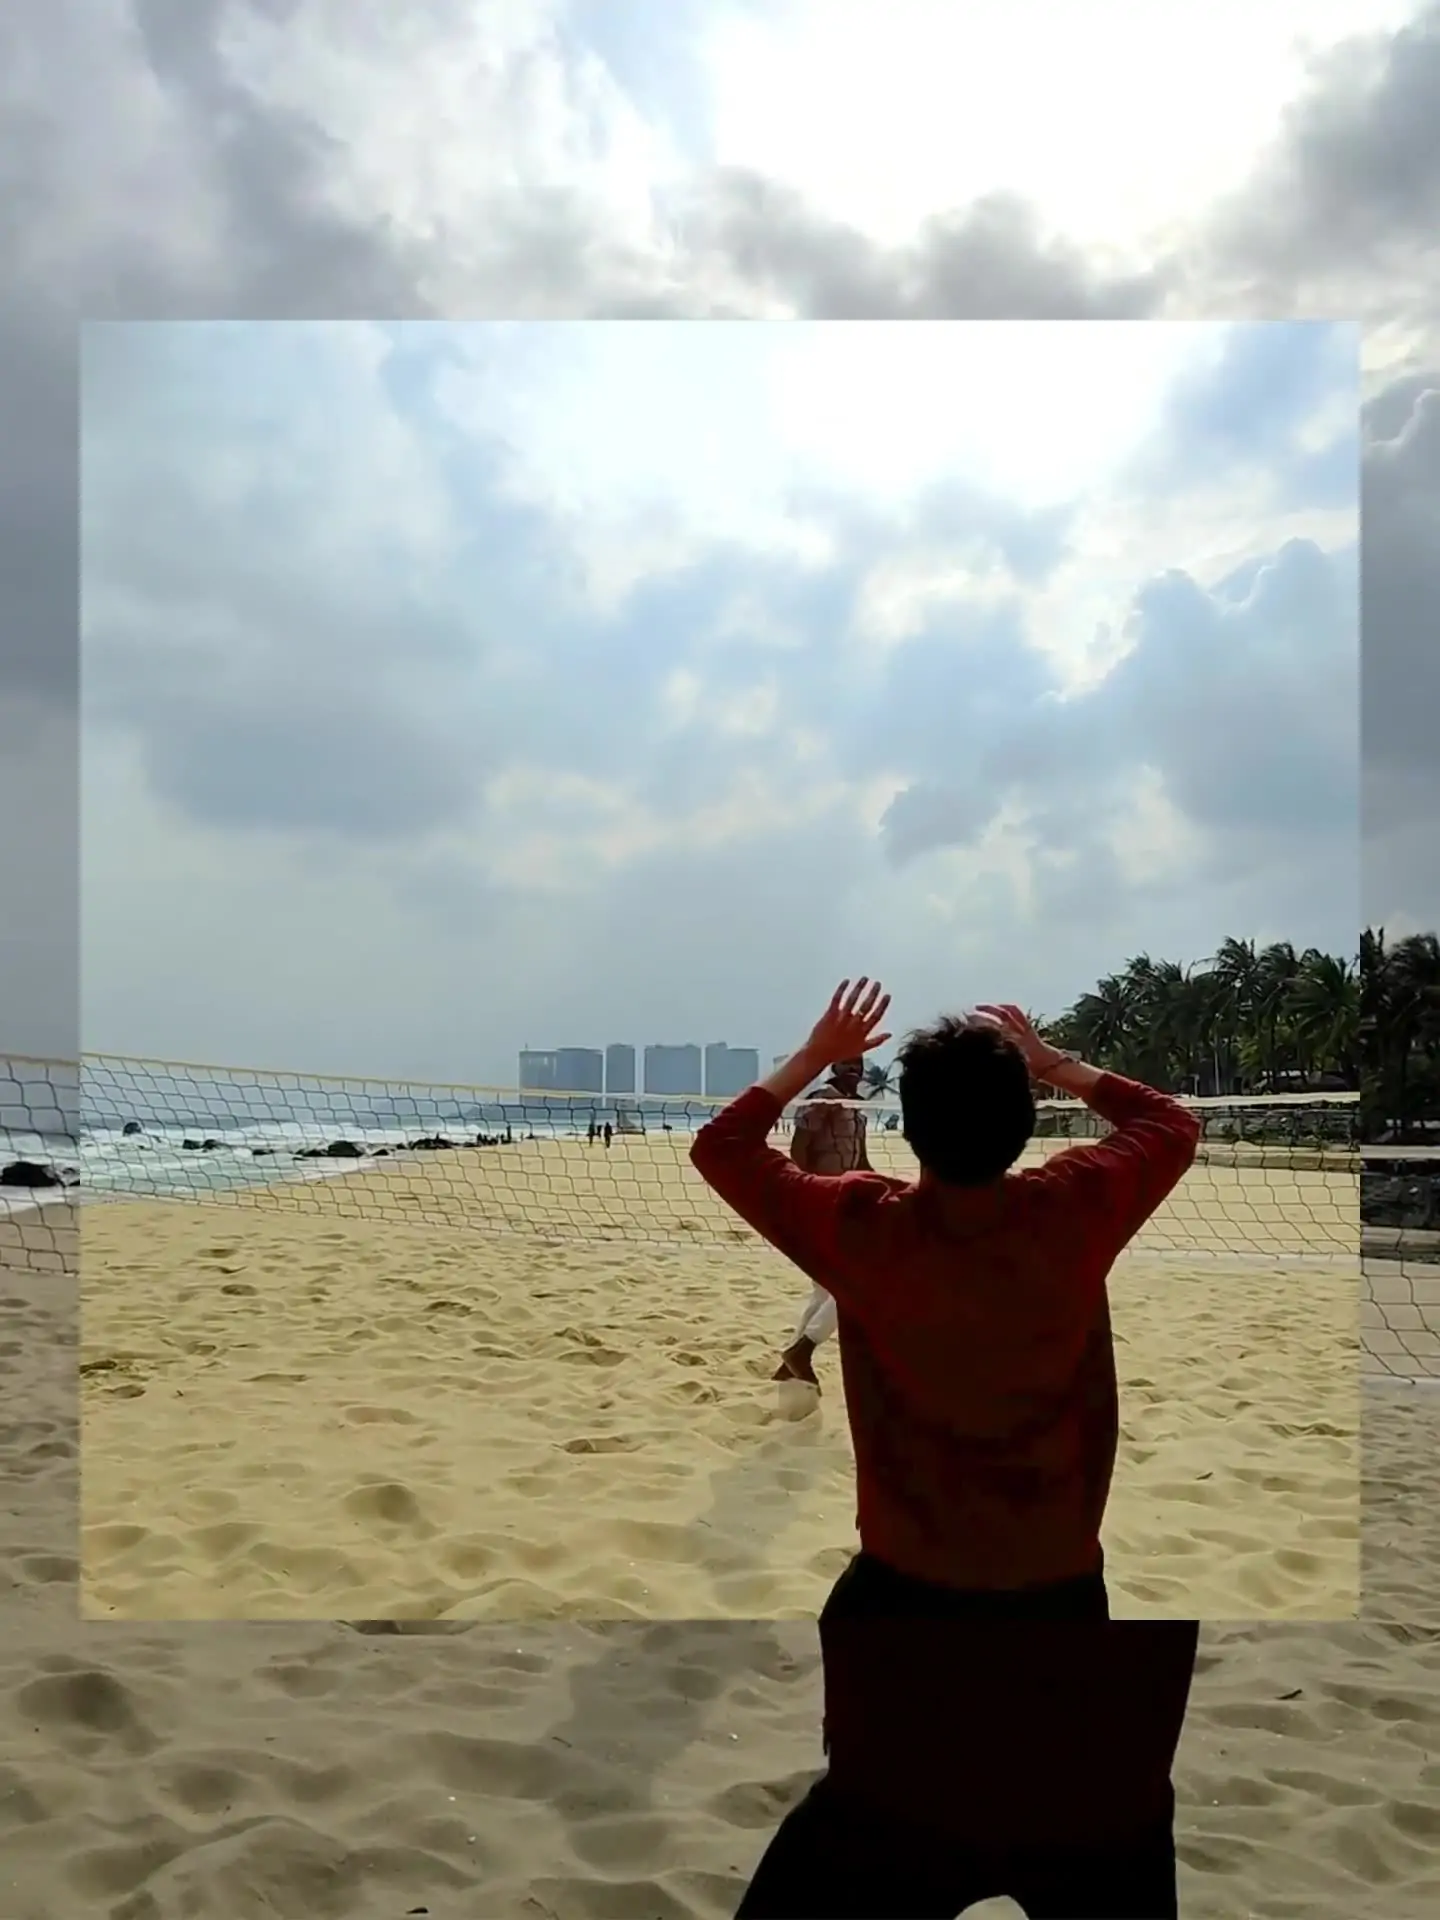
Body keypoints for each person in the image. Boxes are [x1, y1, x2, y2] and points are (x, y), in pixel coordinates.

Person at [690, 979, 1203, 1916]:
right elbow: (1170, 1121)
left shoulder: (862, 1225)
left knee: (871, 1836)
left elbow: (721, 1146)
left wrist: (815, 1055)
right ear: (1024, 1121)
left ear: (911, 1130)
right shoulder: (1073, 1207)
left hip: (903, 1617)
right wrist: (1053, 1063)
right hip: (1061, 1612)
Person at [772, 1055, 871, 1391]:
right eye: (847, 1063)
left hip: (846, 1203)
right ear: (834, 1067)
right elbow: (799, 1150)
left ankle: (791, 1363)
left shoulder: (856, 1106)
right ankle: (802, 1350)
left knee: (825, 1289)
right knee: (852, 1286)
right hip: (821, 1202)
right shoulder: (822, 1100)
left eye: (859, 1063)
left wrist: (885, 1188)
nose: (854, 1069)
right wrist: (811, 1194)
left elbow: (861, 1159)